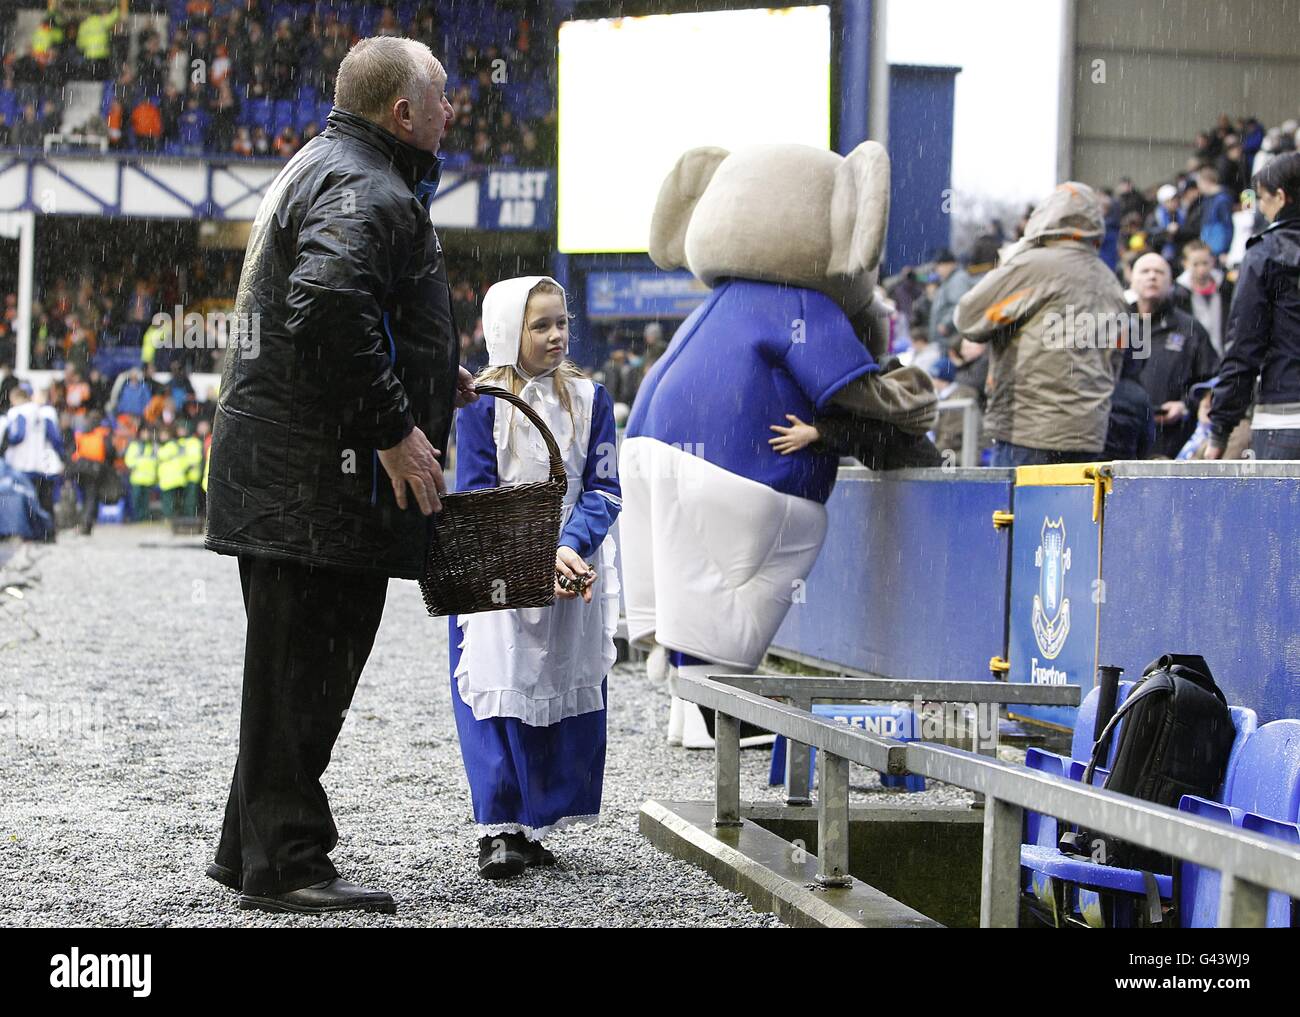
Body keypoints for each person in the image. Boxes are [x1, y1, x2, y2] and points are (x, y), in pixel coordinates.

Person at [203, 36, 475, 914]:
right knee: (305, 672)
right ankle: (286, 863)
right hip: (314, 487)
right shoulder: (369, 184)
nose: (452, 110)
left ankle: (247, 845)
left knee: (288, 668)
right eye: (441, 97)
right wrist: (395, 427)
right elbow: (324, 304)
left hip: (294, 479)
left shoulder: (328, 163)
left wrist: (433, 380)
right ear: (403, 113)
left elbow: (338, 309)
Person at [449, 276, 621, 880]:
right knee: (500, 686)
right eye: (539, 325)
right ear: (508, 331)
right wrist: (531, 552)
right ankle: (500, 828)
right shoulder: (480, 403)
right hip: (500, 571)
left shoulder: (592, 398)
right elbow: (473, 493)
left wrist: (570, 546)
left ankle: (538, 820)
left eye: (561, 323)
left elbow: (603, 488)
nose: (555, 336)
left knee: (555, 681)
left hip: (571, 567)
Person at [954, 182, 1128, 466]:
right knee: (1071, 512)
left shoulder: (1034, 265)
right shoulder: (1111, 282)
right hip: (1088, 435)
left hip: (1028, 431)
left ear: (1045, 216)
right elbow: (1117, 361)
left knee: (1017, 511)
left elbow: (969, 318)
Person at [1206, 151, 1300, 459]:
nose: (1261, 207)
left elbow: (1244, 345)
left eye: (1262, 198)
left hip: (1285, 418)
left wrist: (1220, 428)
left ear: (1281, 197)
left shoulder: (1264, 255)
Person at [1129, 252, 1218, 458]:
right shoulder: (1116, 325)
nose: (1152, 276)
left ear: (1171, 283)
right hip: (1125, 438)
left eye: (1159, 272)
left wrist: (1185, 406)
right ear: (1132, 281)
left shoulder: (1191, 329)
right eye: (1145, 271)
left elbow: (1211, 382)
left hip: (1173, 442)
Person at [0, 382, 62, 540]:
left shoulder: (18, 412)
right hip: (39, 462)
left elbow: (17, 435)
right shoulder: (41, 412)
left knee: (22, 499)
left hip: (21, 463)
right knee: (41, 499)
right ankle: (46, 532)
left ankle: (24, 532)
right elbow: (53, 436)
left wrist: (7, 443)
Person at [1175, 239, 1234, 358]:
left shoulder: (1226, 288)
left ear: (1212, 261)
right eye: (1195, 264)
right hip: (1193, 357)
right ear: (1185, 264)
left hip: (1224, 353)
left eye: (1205, 263)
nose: (1201, 269)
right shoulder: (1178, 294)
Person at [123, 425, 158, 521]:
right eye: (144, 432)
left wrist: (141, 462)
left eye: (147, 432)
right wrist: (142, 463)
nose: (146, 435)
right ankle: (137, 517)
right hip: (137, 478)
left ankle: (144, 517)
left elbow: (156, 460)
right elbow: (129, 460)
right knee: (136, 499)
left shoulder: (153, 446)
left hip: (149, 478)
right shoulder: (134, 445)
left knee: (146, 500)